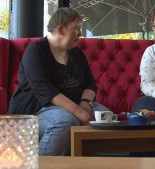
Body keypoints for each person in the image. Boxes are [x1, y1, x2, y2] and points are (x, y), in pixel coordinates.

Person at [8, 8, 108, 156]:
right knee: (64, 123)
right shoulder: (36, 50)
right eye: (76, 29)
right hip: (35, 111)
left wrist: (85, 102)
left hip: (75, 104)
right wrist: (78, 111)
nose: (80, 34)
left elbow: (90, 84)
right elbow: (45, 89)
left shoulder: (77, 53)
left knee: (107, 118)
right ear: (61, 29)